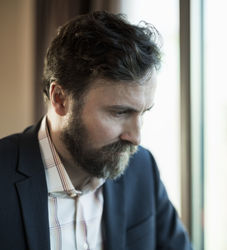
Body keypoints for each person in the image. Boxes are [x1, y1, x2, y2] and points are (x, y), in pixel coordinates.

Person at [0, 11, 192, 250]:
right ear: (60, 99)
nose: (136, 138)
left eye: (143, 113)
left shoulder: (142, 169)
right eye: (119, 112)